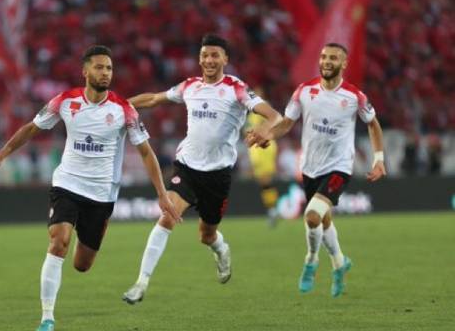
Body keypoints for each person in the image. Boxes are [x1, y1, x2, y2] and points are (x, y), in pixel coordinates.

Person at [0, 45, 180, 331]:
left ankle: (74, 257)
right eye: (99, 67)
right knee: (59, 241)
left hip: (102, 195)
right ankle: (47, 317)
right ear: (85, 71)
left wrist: (161, 194)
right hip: (67, 184)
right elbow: (32, 128)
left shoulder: (123, 109)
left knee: (82, 264)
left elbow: (145, 152)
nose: (105, 72)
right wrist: (1, 154)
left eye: (109, 68)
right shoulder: (65, 101)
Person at [122, 34, 282, 304]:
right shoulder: (190, 86)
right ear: (199, 59)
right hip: (186, 167)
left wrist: (266, 129)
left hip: (218, 175)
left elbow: (275, 115)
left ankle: (220, 248)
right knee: (166, 217)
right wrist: (121, 104)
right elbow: (153, 99)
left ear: (225, 59)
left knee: (206, 235)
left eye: (214, 55)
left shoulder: (236, 88)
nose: (209, 60)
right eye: (205, 55)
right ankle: (141, 282)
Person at [246, 42, 386, 297]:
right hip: (310, 168)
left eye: (333, 58)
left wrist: (379, 158)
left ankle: (311, 260)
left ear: (344, 64)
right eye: (323, 57)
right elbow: (287, 123)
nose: (326, 61)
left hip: (339, 167)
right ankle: (340, 263)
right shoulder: (304, 91)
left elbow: (373, 124)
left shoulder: (355, 96)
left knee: (311, 216)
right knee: (323, 220)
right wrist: (268, 134)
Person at [245, 90, 280, 227]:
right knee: (262, 181)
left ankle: (273, 210)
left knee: (265, 179)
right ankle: (272, 209)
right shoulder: (252, 110)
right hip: (256, 147)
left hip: (263, 146)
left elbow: (274, 122)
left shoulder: (264, 106)